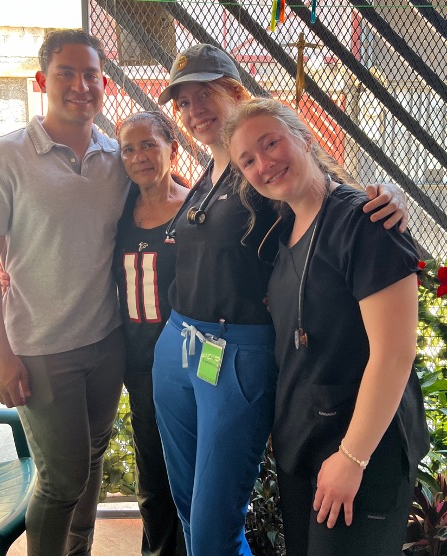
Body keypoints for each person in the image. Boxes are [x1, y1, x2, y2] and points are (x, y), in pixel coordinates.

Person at [152, 43, 410, 556]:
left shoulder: (271, 195)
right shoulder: (207, 177)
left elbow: (327, 196)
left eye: (206, 93)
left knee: (212, 523)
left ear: (236, 92)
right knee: (187, 503)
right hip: (185, 348)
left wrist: (387, 196)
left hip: (235, 351)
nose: (194, 109)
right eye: (183, 103)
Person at [224, 97, 430, 556]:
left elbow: (395, 354)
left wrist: (352, 459)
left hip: (362, 453)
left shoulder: (367, 222)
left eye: (271, 143)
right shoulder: (281, 232)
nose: (264, 164)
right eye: (248, 161)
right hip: (306, 451)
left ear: (305, 138)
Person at [0, 29, 129, 555]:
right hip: (39, 349)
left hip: (106, 342)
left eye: (91, 74)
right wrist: (0, 354)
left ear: (103, 84)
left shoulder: (120, 158)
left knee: (90, 462)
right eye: (66, 72)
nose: (80, 85)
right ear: (43, 80)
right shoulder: (3, 157)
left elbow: (178, 195)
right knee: (62, 478)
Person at [113, 111, 188, 556]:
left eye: (149, 145)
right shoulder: (117, 210)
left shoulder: (197, 209)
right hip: (138, 365)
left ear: (172, 148)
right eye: (128, 148)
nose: (138, 156)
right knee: (153, 474)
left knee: (190, 471)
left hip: (187, 366)